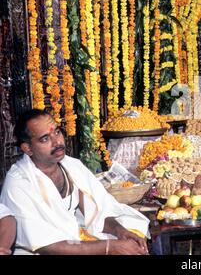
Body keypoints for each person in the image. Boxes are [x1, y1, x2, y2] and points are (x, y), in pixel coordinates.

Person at [0, 109, 150, 255]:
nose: (57, 141)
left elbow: (99, 212)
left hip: (73, 239)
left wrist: (121, 232)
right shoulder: (19, 183)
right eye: (45, 138)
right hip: (43, 251)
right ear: (28, 149)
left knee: (132, 232)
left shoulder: (71, 166)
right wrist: (110, 247)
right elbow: (47, 246)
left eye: (57, 132)